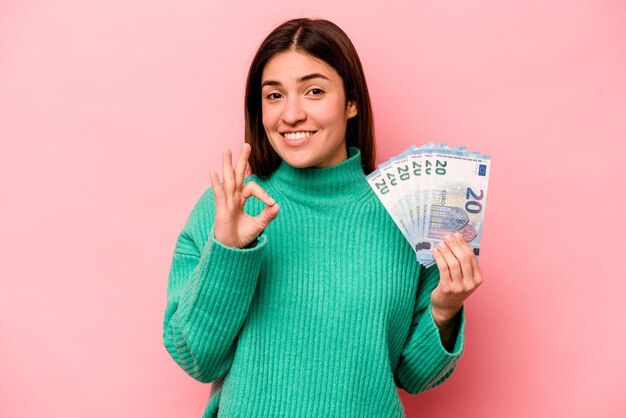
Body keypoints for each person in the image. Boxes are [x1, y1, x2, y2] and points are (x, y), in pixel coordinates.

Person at [162, 17, 483, 417]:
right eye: (274, 96)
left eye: (314, 91)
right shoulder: (225, 207)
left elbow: (412, 377)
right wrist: (229, 249)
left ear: (351, 102)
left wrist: (445, 309)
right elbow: (198, 359)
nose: (291, 114)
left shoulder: (409, 214)